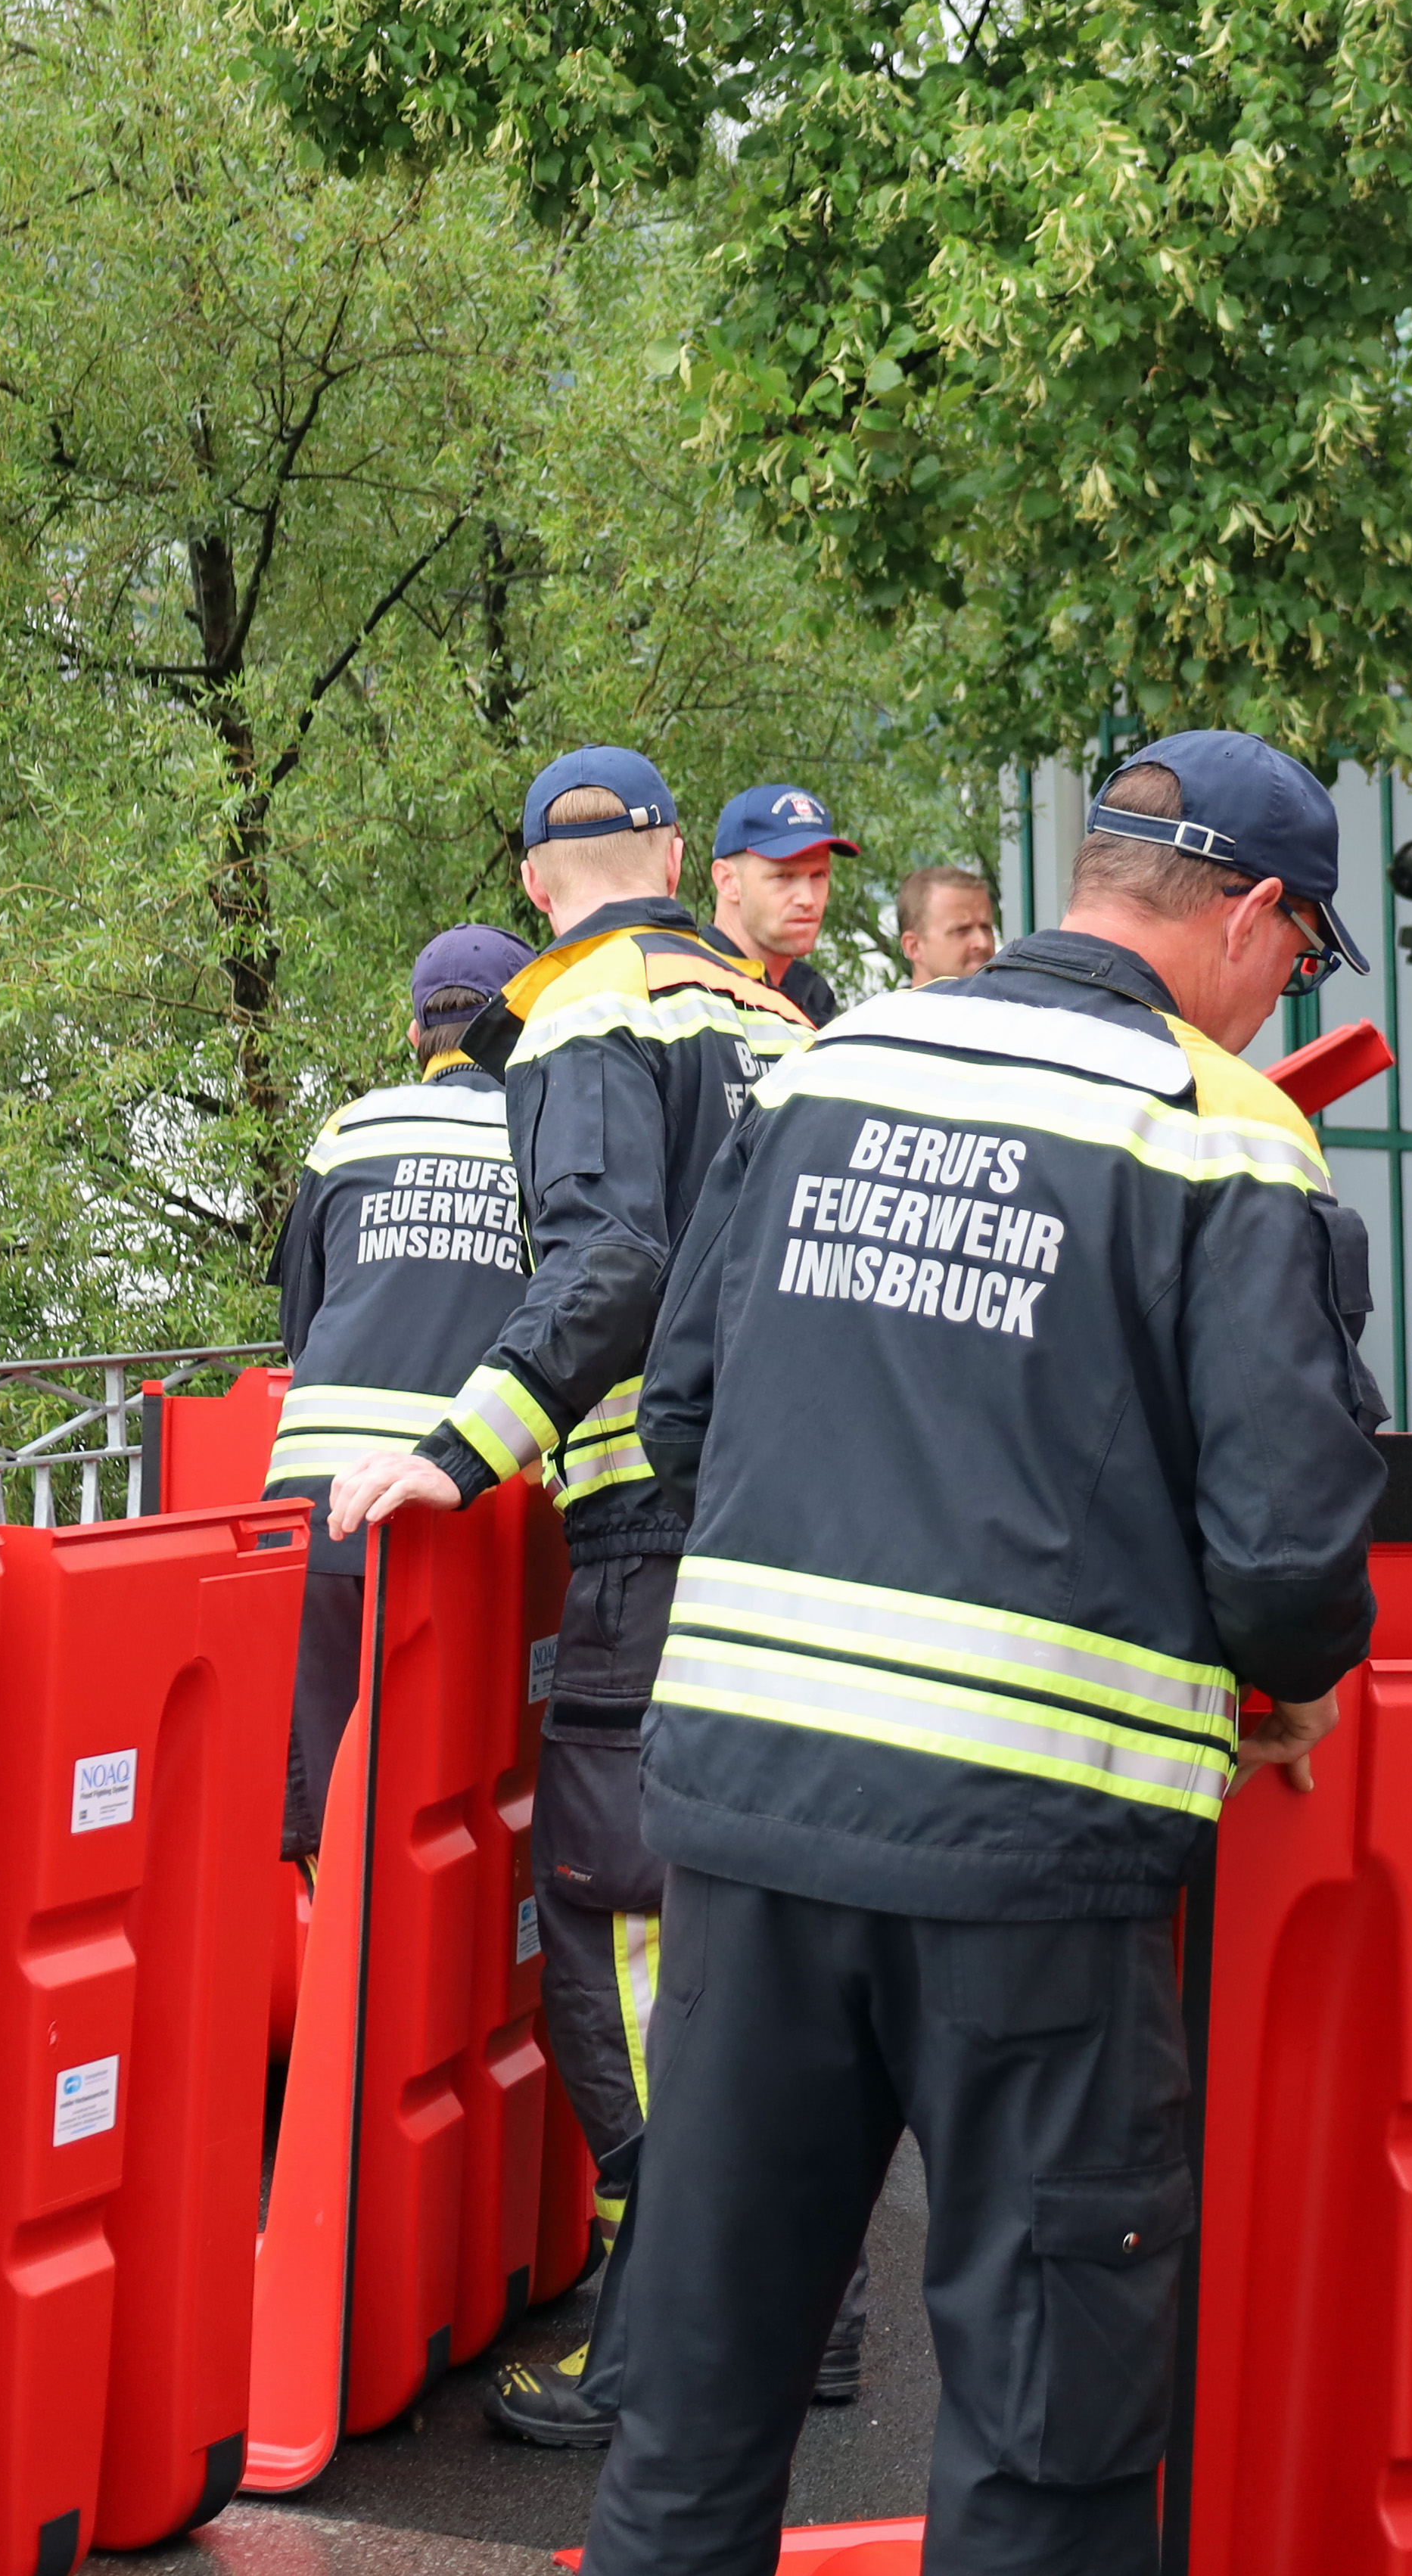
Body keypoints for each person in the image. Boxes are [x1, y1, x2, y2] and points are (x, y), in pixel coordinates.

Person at [575, 734, 1389, 2576]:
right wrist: (1282, 1676)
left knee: (698, 2400)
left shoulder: (832, 1060)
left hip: (756, 1826)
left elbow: (679, 1414)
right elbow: (1286, 1559)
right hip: (1038, 1863)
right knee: (1044, 2424)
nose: (1286, 998)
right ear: (1252, 913)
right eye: (1302, 955)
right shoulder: (1219, 1129)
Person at [320, 746, 816, 2449]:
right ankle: (790, 2313)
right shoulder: (770, 1015)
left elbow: (608, 1264)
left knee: (611, 1916)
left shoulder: (590, 1010)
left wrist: (459, 1448)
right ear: (679, 852)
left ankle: (667, 2337)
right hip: (798, 1515)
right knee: (761, 1918)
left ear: (535, 879)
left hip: (655, 1515)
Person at [260, 926, 531, 1859]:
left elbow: (302, 1323)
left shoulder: (350, 1127)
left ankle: (334, 1992)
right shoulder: (544, 1135)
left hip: (316, 1511)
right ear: (521, 1024)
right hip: (466, 1506)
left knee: (336, 1817)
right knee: (455, 1818)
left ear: (415, 1033)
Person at [708, 783, 861, 1027]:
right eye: (784, 877)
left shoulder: (814, 995)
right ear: (727, 881)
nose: (808, 900)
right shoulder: (690, 989)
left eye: (819, 875)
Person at [894, 862, 999, 984]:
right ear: (914, 947)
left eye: (986, 928)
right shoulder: (884, 1004)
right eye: (962, 930)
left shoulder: (1015, 1002)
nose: (983, 943)